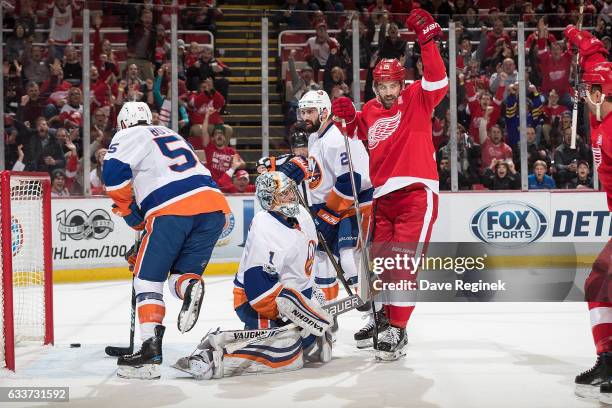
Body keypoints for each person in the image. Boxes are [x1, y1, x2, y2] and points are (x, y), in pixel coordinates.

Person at [331, 8, 448, 361]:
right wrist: (348, 119)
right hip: (382, 198)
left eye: (393, 84)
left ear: (402, 82)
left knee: (401, 265)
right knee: (379, 266)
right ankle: (383, 317)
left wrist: (428, 42)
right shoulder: (368, 109)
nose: (387, 91)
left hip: (415, 191)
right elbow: (358, 138)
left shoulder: (416, 97)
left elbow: (438, 80)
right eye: (381, 86)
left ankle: (397, 328)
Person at [102, 101, 230, 379]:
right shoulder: (172, 133)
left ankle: (149, 352)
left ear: (124, 123)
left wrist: (128, 212)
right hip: (214, 207)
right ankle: (190, 286)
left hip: (171, 210)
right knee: (180, 275)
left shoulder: (127, 135)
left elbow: (112, 176)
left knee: (146, 279)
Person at [172, 171, 332, 380]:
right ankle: (212, 358)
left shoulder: (301, 214)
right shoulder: (265, 226)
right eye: (283, 195)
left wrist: (311, 296)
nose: (291, 197)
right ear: (269, 200)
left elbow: (304, 265)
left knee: (306, 344)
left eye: (290, 191)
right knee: (286, 352)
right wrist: (301, 312)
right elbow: (259, 293)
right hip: (257, 303)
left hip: (292, 298)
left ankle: (307, 339)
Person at [564, 25, 612, 404]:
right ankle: (607, 359)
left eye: (587, 90)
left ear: (598, 93)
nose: (583, 94)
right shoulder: (602, 105)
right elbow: (596, 56)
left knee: (601, 280)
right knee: (600, 281)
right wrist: (579, 38)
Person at [298, 90, 372, 324]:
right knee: (321, 258)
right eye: (303, 112)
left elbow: (350, 180)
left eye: (310, 112)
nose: (305, 117)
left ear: (324, 111)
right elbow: (317, 176)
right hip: (327, 207)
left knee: (351, 257)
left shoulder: (336, 139)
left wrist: (329, 214)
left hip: (350, 205)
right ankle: (327, 312)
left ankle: (374, 314)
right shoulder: (314, 138)